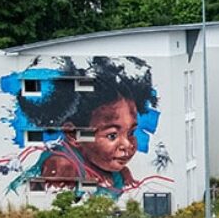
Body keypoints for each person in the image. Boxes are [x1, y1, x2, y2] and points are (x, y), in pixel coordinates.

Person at [9, 56, 159, 197]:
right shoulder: (62, 166)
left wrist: (125, 176)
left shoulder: (112, 168)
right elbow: (55, 202)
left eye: (131, 132)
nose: (127, 145)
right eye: (112, 135)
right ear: (73, 134)